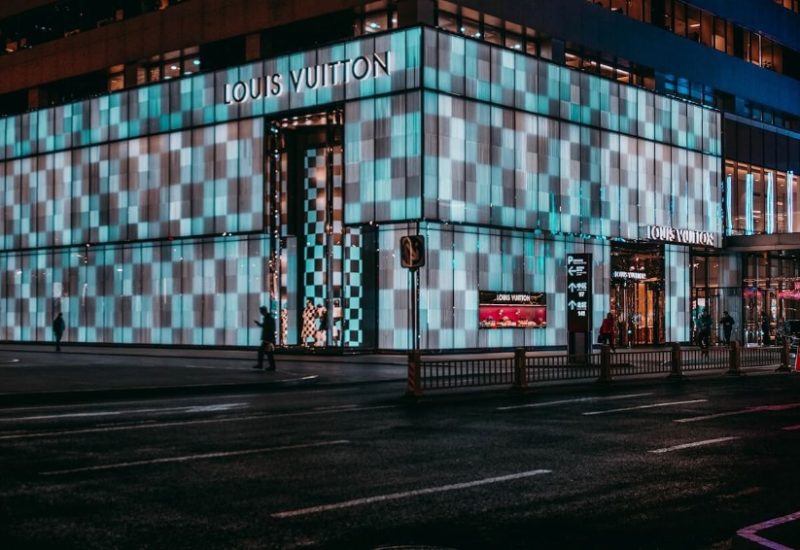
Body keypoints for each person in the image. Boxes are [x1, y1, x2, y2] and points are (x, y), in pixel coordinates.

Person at [252, 306, 276, 371]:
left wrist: (259, 324)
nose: (261, 313)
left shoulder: (268, 318)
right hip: (268, 338)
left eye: (261, 312)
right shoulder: (268, 318)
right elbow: (266, 326)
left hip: (268, 339)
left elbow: (268, 328)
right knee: (268, 353)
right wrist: (259, 324)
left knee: (263, 352)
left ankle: (262, 365)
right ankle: (271, 366)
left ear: (263, 311)